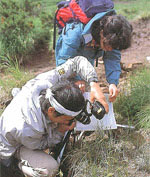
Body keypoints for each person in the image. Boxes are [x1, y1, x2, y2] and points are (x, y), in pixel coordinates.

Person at [0, 56, 108, 177]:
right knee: (49, 168)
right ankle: (19, 167)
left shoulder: (48, 82)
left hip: (21, 125)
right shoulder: (29, 128)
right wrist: (60, 131)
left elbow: (77, 62)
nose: (73, 121)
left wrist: (94, 84)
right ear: (51, 111)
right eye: (69, 119)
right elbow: (41, 145)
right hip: (13, 147)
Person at [55, 10, 133, 102]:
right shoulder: (75, 33)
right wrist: (75, 80)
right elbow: (63, 60)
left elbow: (112, 59)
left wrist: (113, 83)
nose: (111, 49)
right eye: (109, 46)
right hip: (68, 58)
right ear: (102, 33)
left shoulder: (113, 38)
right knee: (67, 92)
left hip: (88, 57)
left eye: (115, 47)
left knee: (85, 91)